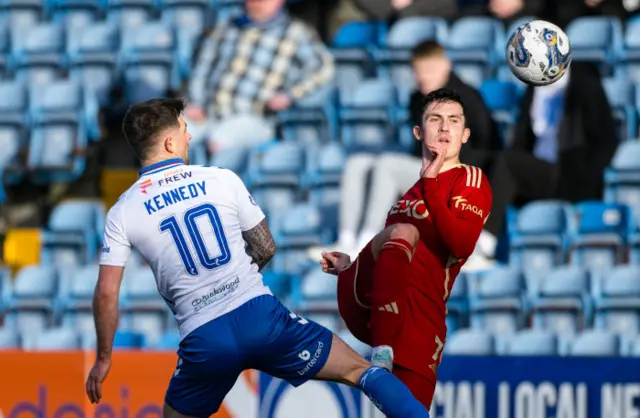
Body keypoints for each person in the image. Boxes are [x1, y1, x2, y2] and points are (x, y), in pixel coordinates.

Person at [84, 98, 431, 418]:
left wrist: (103, 359)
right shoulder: (221, 178)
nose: (189, 134)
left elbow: (106, 293)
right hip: (261, 317)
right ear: (169, 143)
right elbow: (266, 247)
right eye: (183, 128)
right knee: (361, 371)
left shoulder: (123, 211)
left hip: (204, 340)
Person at [319, 88, 493, 409]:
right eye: (435, 119)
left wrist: (430, 184)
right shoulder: (408, 195)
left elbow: (461, 244)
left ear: (465, 134)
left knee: (411, 412)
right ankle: (381, 351)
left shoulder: (471, 180)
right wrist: (353, 265)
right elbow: (395, 253)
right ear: (418, 131)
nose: (444, 128)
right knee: (400, 231)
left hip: (420, 326)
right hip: (372, 311)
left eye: (453, 121)